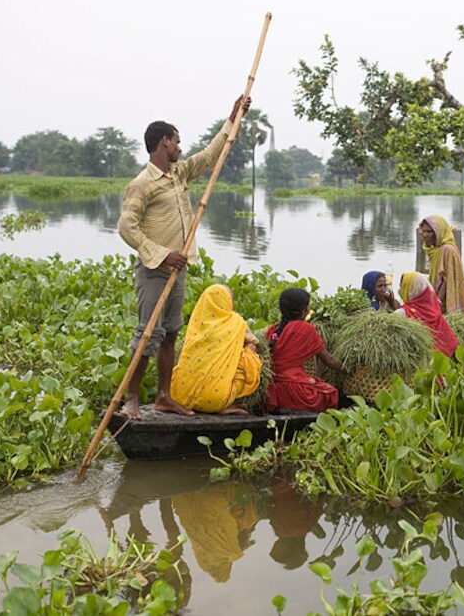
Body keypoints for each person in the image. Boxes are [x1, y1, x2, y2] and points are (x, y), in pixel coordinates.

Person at [117, 95, 252, 419]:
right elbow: (127, 228)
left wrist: (233, 117)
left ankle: (164, 396)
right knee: (147, 334)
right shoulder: (142, 184)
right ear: (164, 142)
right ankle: (130, 397)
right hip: (155, 270)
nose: (180, 147)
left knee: (171, 331)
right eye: (176, 141)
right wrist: (163, 255)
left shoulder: (178, 174)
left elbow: (210, 155)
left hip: (178, 269)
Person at [168, 284, 263, 415]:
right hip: (215, 399)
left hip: (180, 396)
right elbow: (257, 344)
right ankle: (229, 404)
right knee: (250, 350)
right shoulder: (235, 322)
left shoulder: (196, 322)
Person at [266, 288, 348, 412]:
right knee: (330, 394)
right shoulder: (306, 329)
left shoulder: (272, 330)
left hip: (272, 392)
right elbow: (329, 360)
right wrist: (349, 369)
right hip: (293, 391)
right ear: (304, 311)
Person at [394, 272, 458, 358]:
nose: (400, 291)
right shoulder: (435, 310)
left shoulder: (402, 313)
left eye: (402, 287)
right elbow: (450, 343)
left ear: (410, 289)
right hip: (440, 366)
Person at [418, 215, 464, 314]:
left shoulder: (448, 250)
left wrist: (436, 303)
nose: (425, 235)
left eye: (429, 232)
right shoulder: (434, 250)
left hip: (446, 299)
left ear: (438, 233)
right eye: (423, 231)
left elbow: (447, 279)